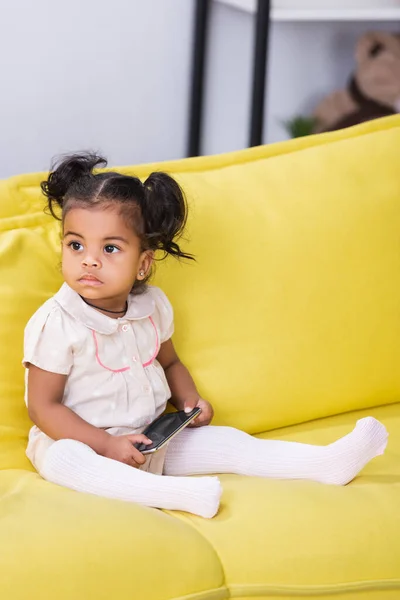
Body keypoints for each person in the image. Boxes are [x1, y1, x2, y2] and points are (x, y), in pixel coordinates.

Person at [23, 153, 388, 519]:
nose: (89, 260)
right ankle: (175, 493)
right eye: (76, 245)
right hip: (81, 441)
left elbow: (170, 361)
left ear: (143, 263)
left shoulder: (152, 306)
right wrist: (106, 444)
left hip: (150, 437)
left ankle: (325, 463)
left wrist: (189, 400)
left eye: (110, 248)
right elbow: (44, 407)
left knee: (230, 443)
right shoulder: (58, 322)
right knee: (66, 461)